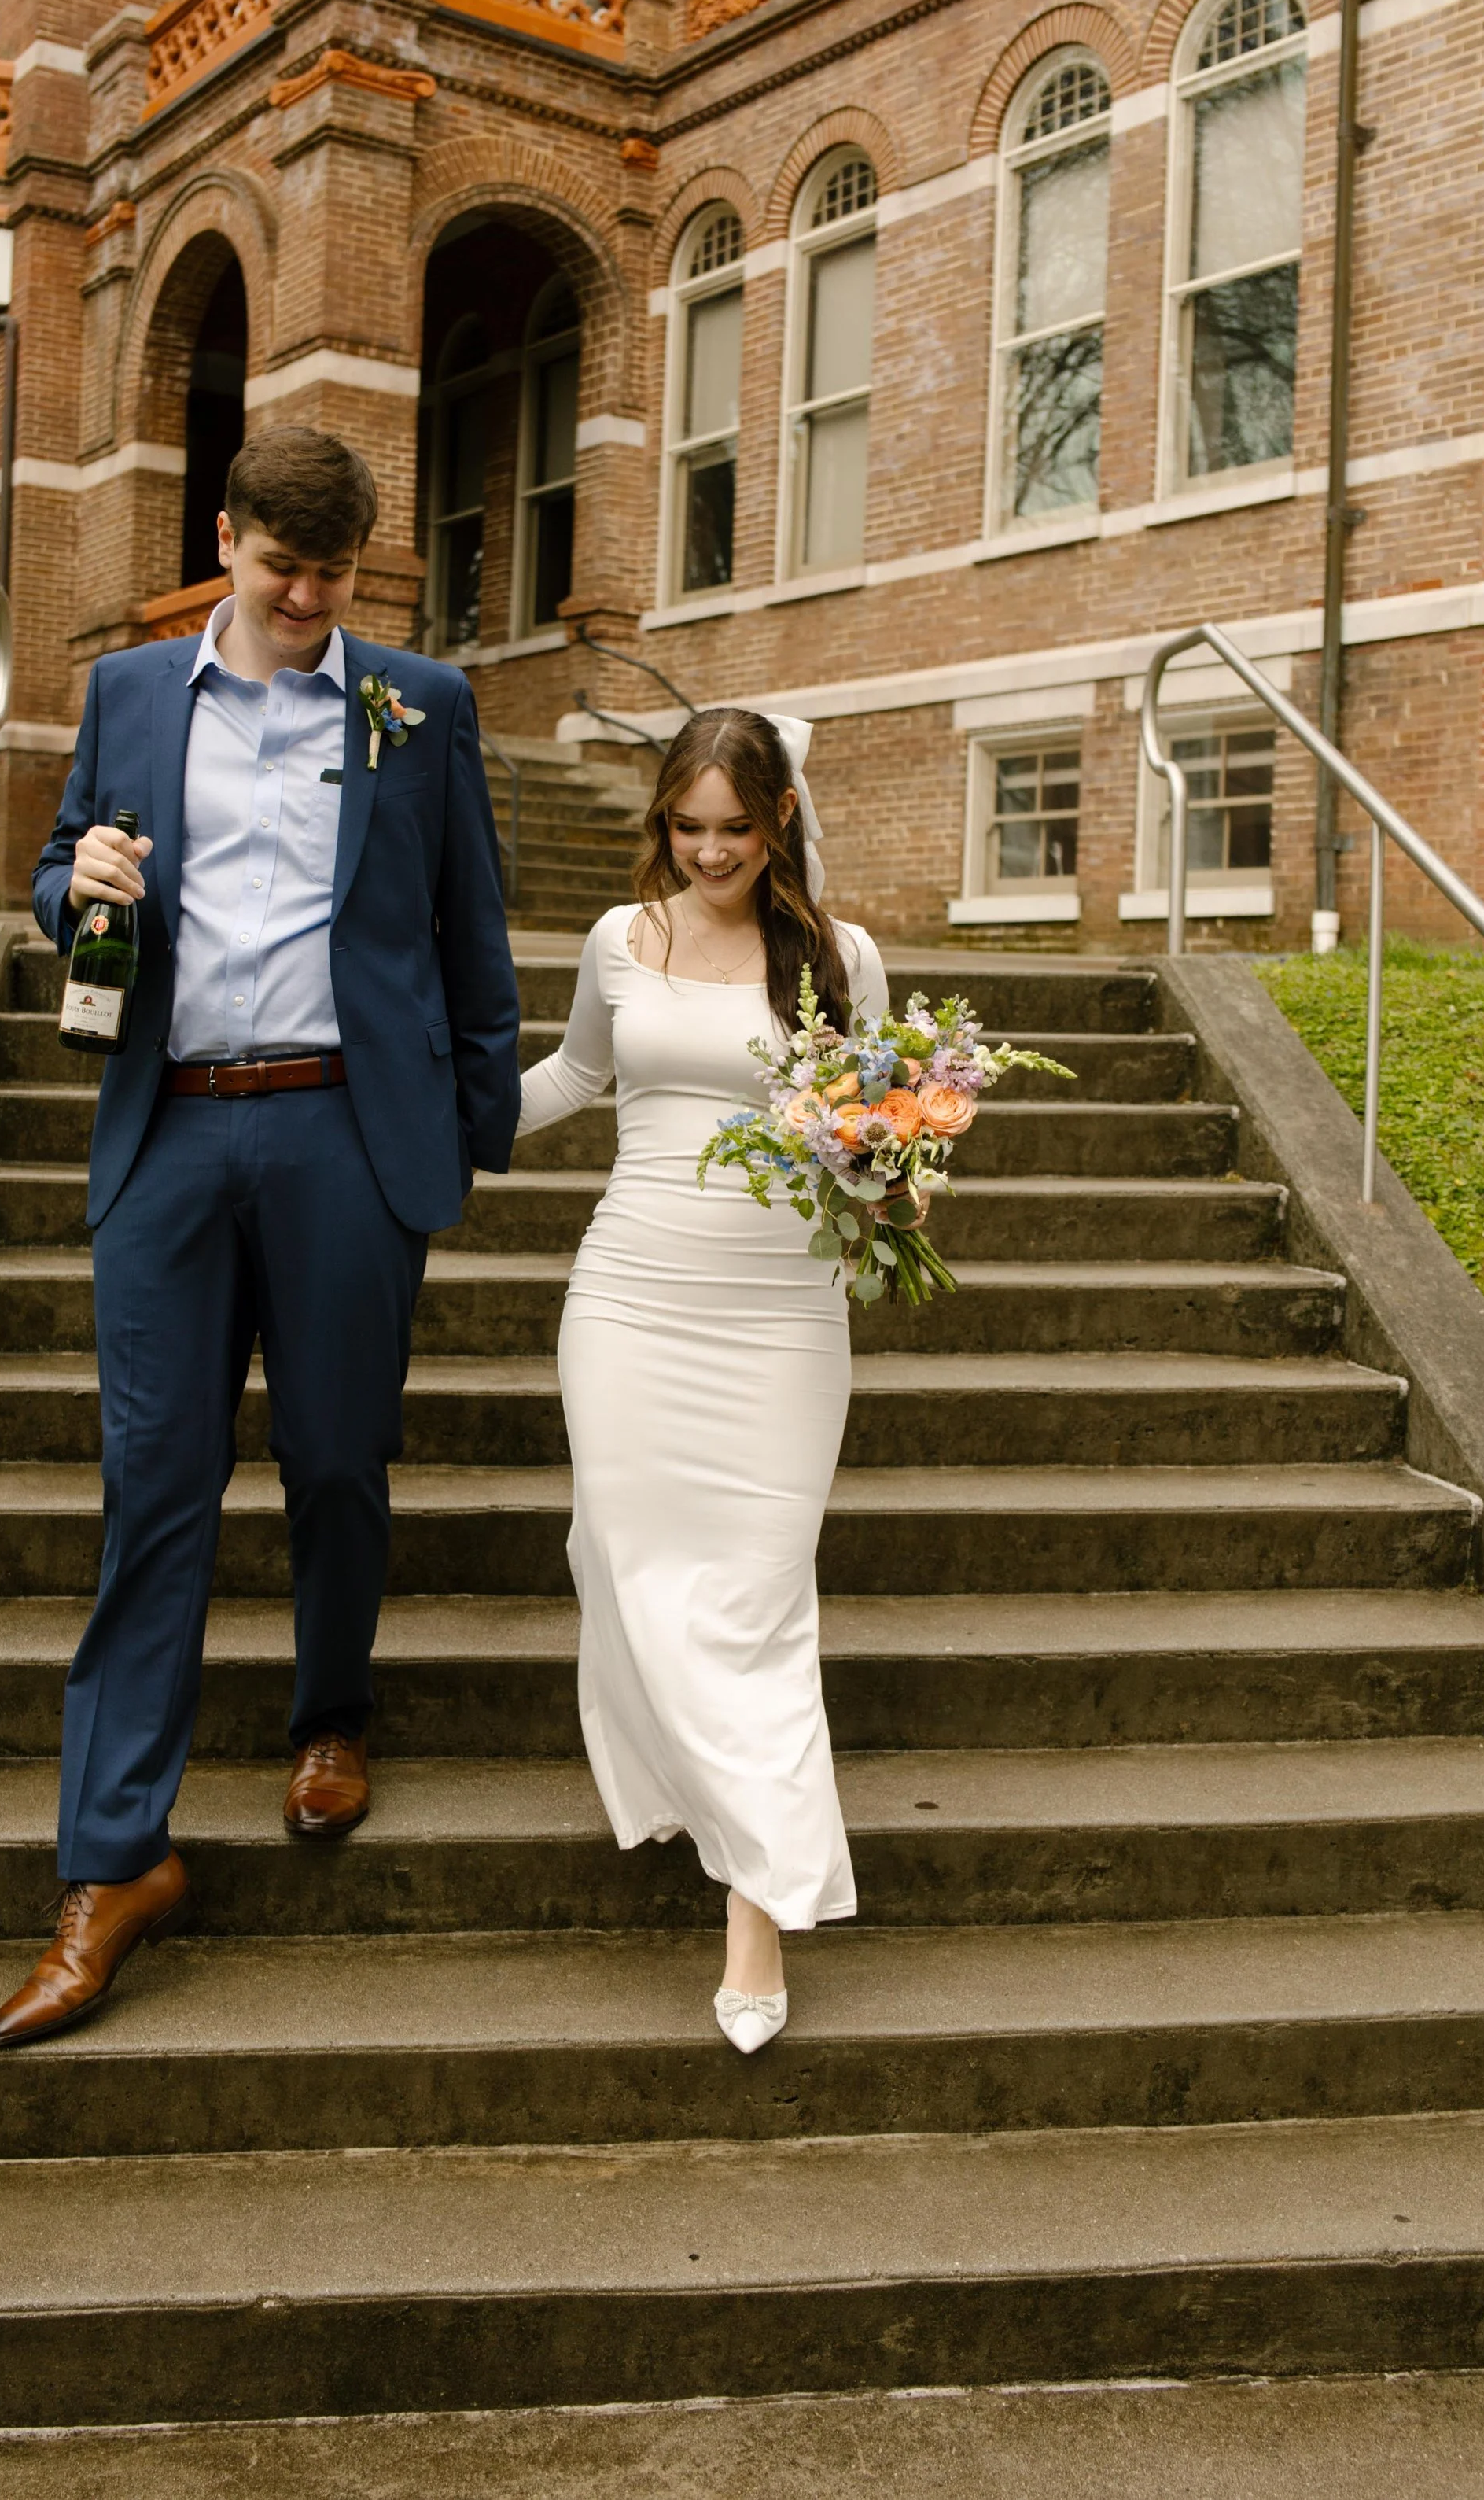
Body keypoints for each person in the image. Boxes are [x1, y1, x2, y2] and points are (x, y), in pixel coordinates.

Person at [0, 426, 520, 2050]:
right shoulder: (134, 695)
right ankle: (109, 1867)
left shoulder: (419, 704)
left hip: (345, 1131)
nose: (301, 599)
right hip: (168, 1130)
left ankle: (329, 1714)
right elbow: (63, 880)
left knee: (340, 1460)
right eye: (278, 569)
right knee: (152, 1484)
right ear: (223, 539)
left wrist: (463, 1137)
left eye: (329, 576)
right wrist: (69, 879)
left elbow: (467, 925)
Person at [515, 705, 886, 2054]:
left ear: (778, 818)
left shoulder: (842, 958)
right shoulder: (624, 939)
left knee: (754, 1599)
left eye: (736, 827)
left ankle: (756, 1909)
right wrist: (428, 1117)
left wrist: (893, 1174)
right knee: (629, 1563)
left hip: (782, 1320)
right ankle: (711, 1797)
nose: (711, 850)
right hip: (630, 1302)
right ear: (660, 820)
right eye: (688, 826)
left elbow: (876, 1130)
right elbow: (574, 1074)